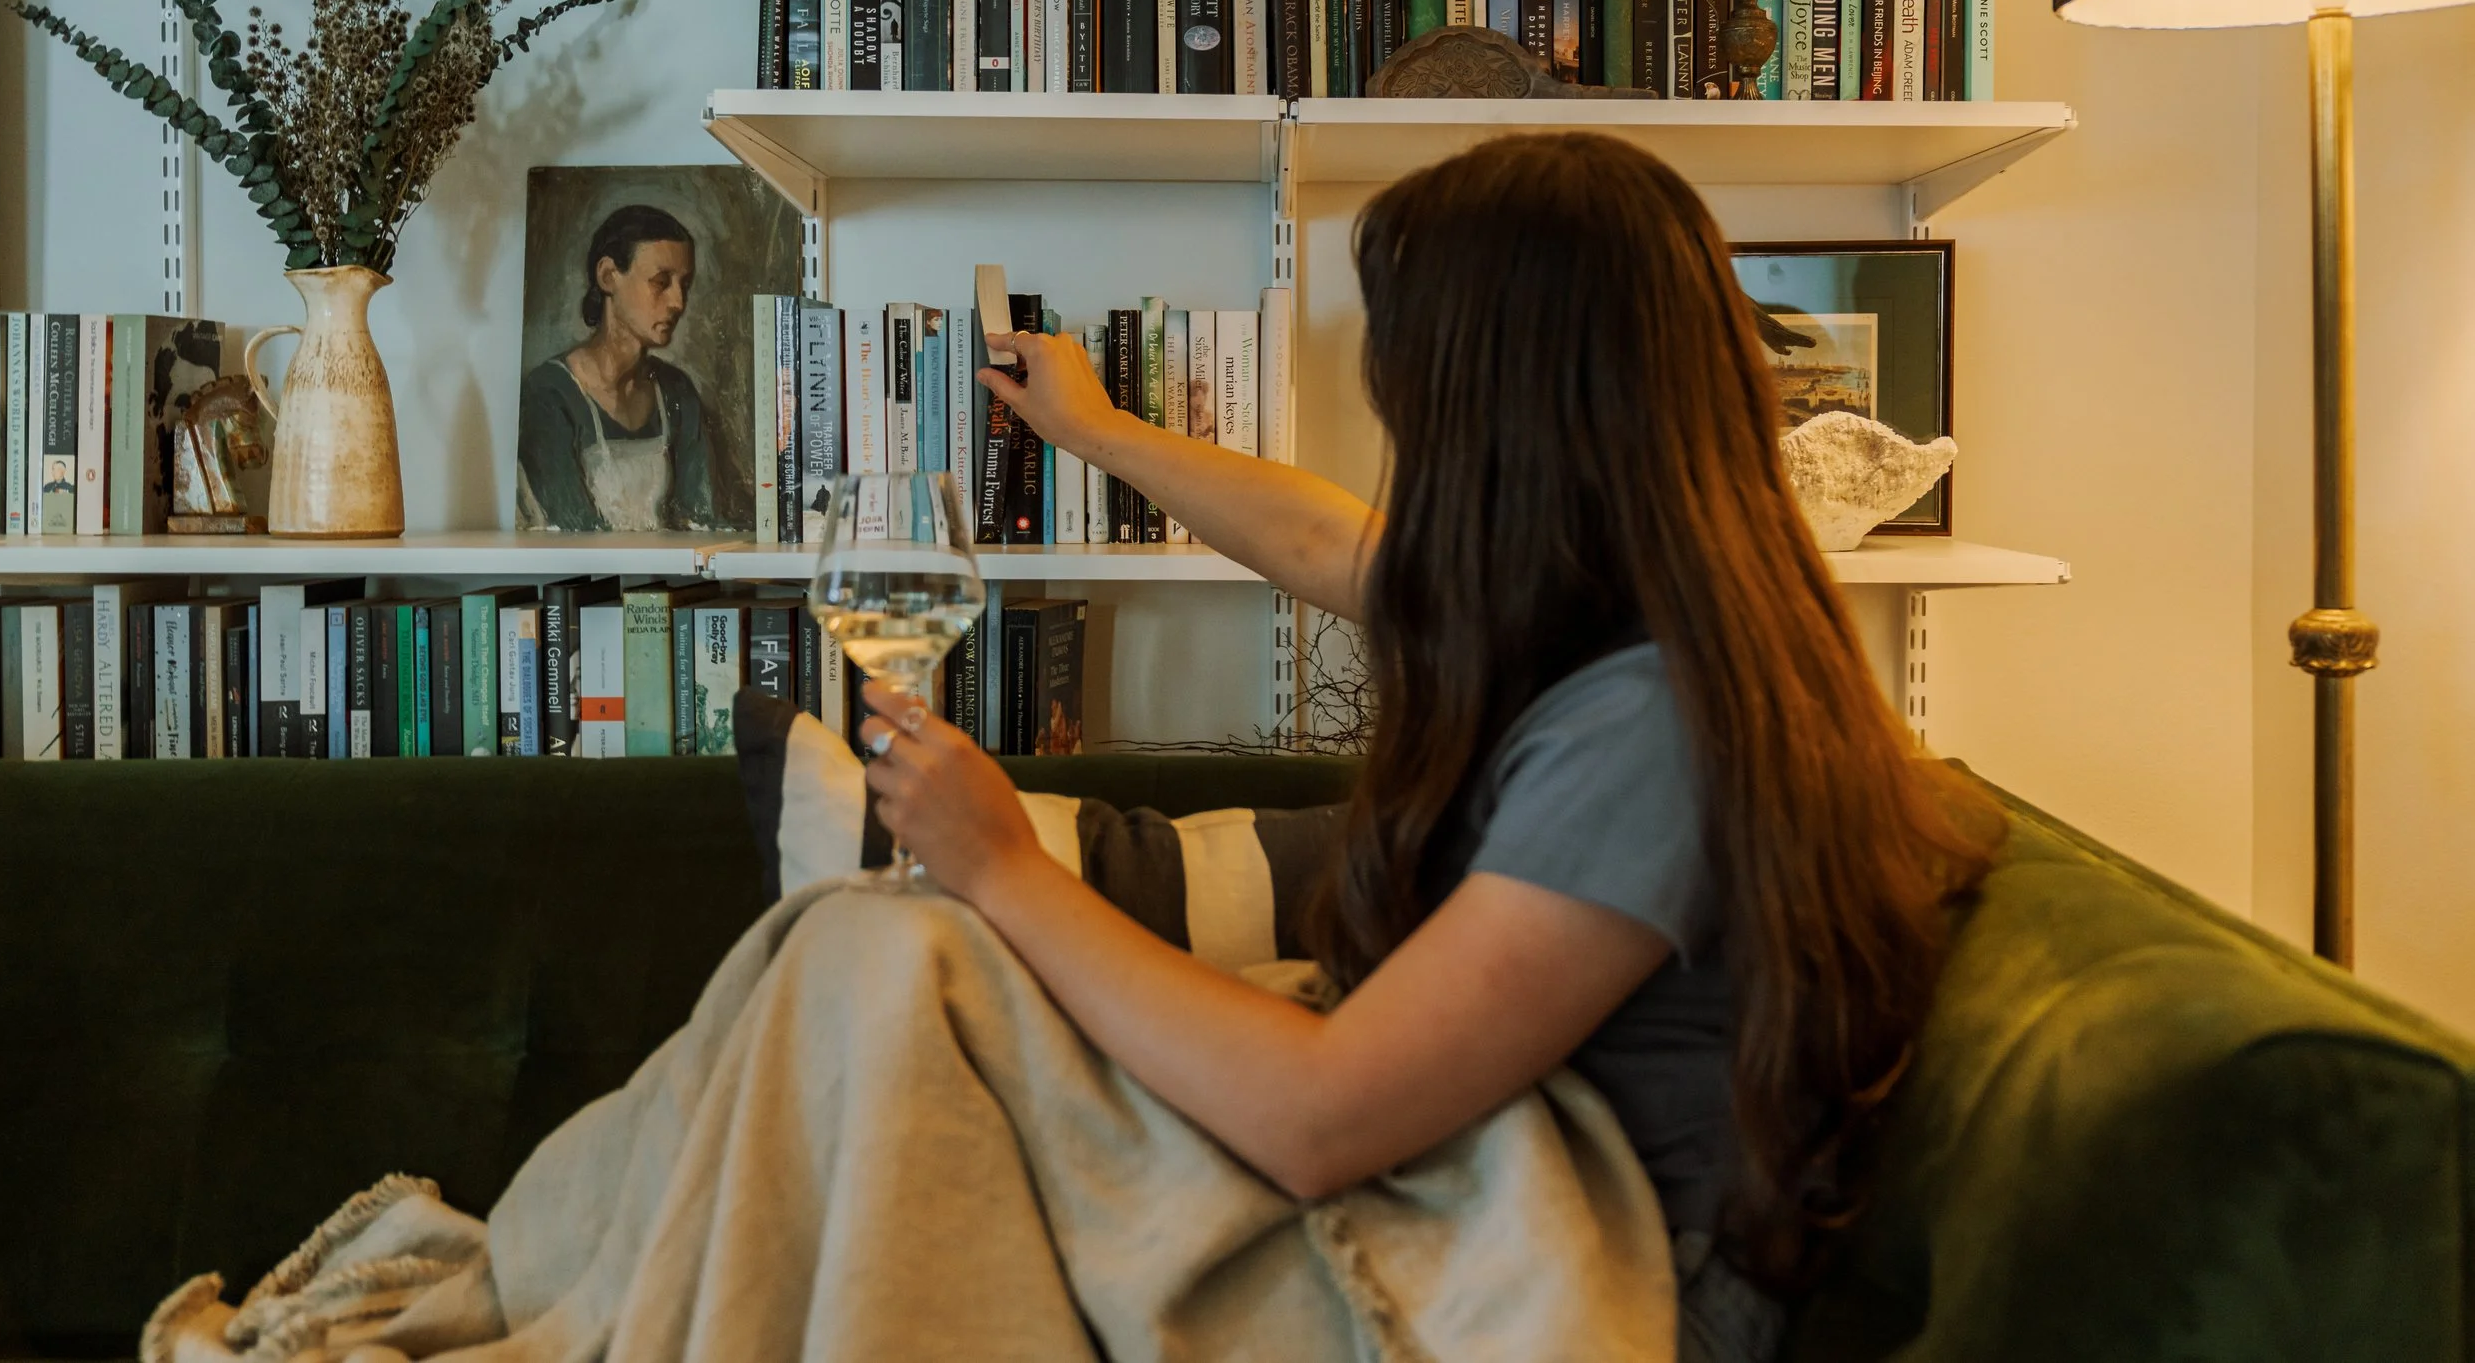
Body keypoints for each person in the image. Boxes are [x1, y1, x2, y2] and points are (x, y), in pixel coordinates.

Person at [853, 134, 2001, 1362]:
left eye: (1402, 361)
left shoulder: (1650, 721)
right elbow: (1322, 540)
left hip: (1577, 1283)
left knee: (885, 1038)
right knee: (866, 987)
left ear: (1497, 397)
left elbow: (1320, 1118)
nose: (1389, 398)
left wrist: (1000, 863)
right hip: (1497, 1199)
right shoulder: (1609, 602)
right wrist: (1097, 431)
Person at [516, 204, 716, 534]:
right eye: (661, 282)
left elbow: (700, 518)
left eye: (685, 284)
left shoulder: (677, 392)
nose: (678, 302)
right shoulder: (550, 393)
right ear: (608, 275)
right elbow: (572, 529)